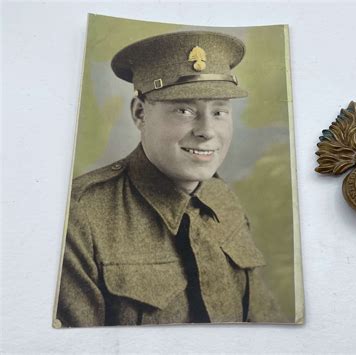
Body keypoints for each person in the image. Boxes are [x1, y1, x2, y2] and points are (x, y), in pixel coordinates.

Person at [55, 31, 283, 327]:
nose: (207, 131)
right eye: (184, 110)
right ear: (140, 114)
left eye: (219, 111)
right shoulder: (81, 215)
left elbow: (264, 322)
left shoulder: (220, 196)